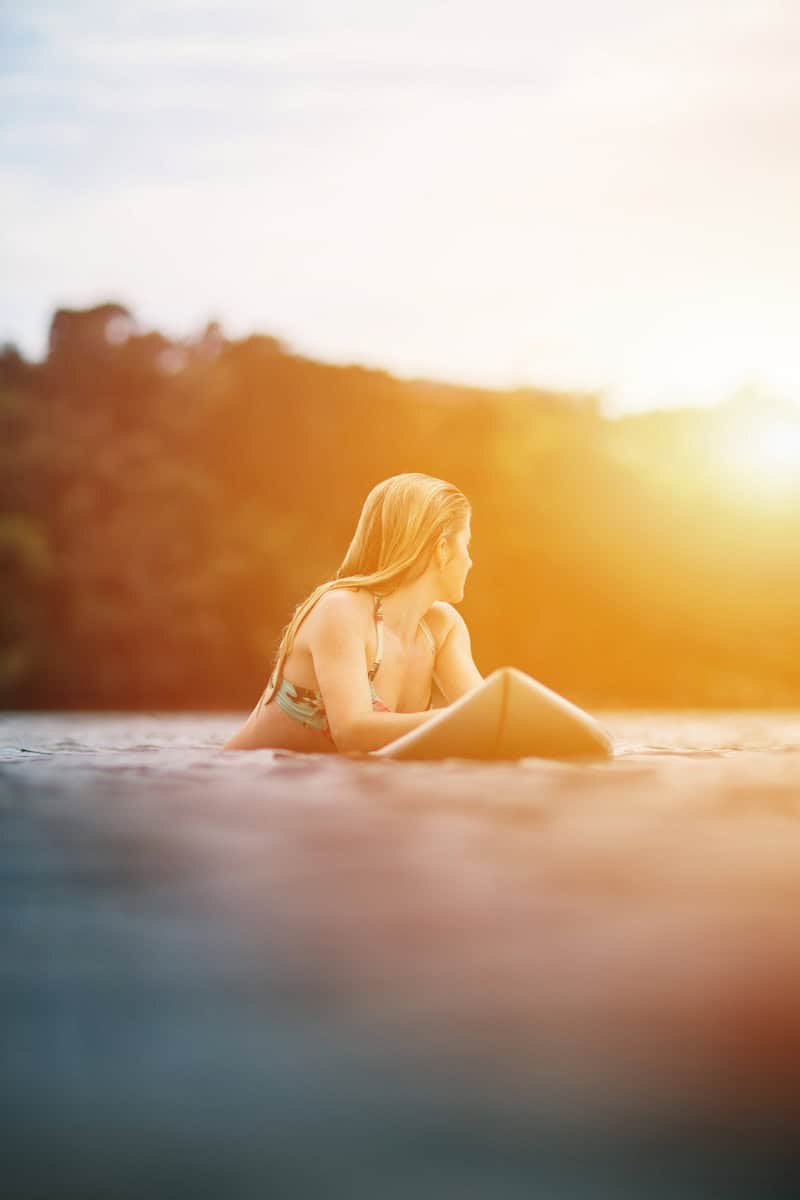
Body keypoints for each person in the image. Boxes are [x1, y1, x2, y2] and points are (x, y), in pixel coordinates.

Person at [223, 473, 481, 753]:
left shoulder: (442, 628)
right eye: (466, 544)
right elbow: (351, 732)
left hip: (326, 781)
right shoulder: (341, 611)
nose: (470, 561)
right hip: (240, 777)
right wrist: (458, 718)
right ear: (442, 550)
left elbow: (485, 716)